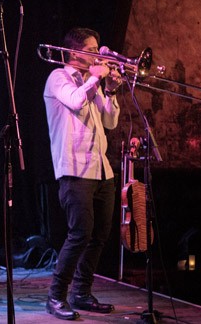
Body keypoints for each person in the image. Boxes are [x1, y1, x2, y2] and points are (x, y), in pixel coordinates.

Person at [43, 26, 122, 320]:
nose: (96, 56)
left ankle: (81, 292)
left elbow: (110, 121)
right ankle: (55, 296)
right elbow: (76, 101)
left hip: (101, 169)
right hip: (74, 169)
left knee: (100, 235)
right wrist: (96, 78)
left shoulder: (93, 82)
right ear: (74, 53)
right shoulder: (58, 78)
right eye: (91, 51)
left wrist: (110, 90)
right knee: (80, 234)